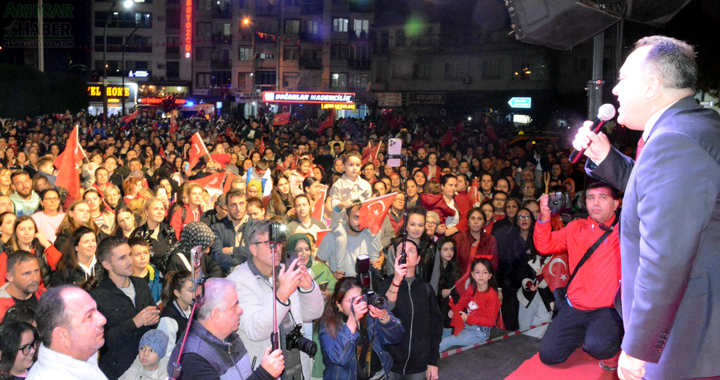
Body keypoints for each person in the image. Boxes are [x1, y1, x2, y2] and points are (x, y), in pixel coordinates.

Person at [576, 36, 720, 380]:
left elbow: (666, 257)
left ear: (653, 85)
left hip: (683, 329)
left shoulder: (675, 141)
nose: (614, 91)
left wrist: (639, 345)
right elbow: (660, 194)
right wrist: (605, 158)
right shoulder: (696, 125)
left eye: (624, 79)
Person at [533, 182, 622, 369]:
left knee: (600, 346)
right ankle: (584, 335)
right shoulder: (576, 227)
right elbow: (544, 245)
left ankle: (612, 345)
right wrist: (544, 215)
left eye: (602, 197)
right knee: (549, 355)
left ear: (616, 204)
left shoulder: (625, 231)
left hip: (606, 309)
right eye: (591, 197)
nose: (595, 203)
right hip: (574, 307)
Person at [228, 220, 324, 380]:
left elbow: (313, 314)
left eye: (279, 243)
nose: (277, 248)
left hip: (298, 367)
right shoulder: (238, 281)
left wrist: (308, 289)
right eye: (270, 243)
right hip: (264, 372)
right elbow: (256, 331)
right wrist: (281, 296)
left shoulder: (286, 271)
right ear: (253, 248)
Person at [167, 278, 285, 380]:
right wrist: (263, 374)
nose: (240, 310)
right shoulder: (192, 360)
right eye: (234, 307)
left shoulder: (228, 336)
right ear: (216, 315)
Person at [91, 235, 160, 380]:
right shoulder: (98, 296)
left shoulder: (140, 284)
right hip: (119, 371)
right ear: (107, 265)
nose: (130, 261)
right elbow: (102, 341)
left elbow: (154, 319)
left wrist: (155, 318)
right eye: (122, 258)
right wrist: (135, 322)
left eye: (129, 255)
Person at [318, 277, 405, 380]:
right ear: (339, 305)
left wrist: (384, 316)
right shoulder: (328, 325)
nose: (356, 304)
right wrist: (352, 320)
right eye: (351, 300)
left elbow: (396, 337)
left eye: (360, 299)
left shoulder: (370, 316)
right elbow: (340, 359)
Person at [379, 241, 443, 380]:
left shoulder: (426, 289)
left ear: (418, 259)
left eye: (411, 250)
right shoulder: (386, 285)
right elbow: (384, 310)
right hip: (390, 363)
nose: (405, 254)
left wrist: (433, 360)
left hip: (418, 365)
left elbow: (435, 326)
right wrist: (396, 280)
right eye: (401, 250)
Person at [28, 285, 108, 380]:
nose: (102, 320)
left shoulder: (83, 360)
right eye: (89, 316)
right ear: (62, 335)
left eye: (96, 310)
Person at [439, 258, 501, 352]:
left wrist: (467, 318)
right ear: (472, 274)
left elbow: (491, 321)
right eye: (477, 272)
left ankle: (428, 362)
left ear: (490, 276)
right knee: (447, 340)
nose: (481, 275)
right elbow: (462, 303)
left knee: (446, 342)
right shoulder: (471, 288)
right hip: (467, 325)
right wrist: (454, 311)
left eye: (485, 272)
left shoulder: (492, 296)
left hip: (479, 332)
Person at [316, 202, 382, 278]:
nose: (360, 221)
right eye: (356, 217)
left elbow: (381, 255)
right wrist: (332, 276)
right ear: (347, 218)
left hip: (365, 285)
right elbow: (318, 264)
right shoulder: (332, 237)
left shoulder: (370, 234)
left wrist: (378, 262)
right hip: (343, 286)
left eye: (363, 217)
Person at [209, 188, 251, 274]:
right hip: (227, 277)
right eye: (233, 205)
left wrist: (231, 250)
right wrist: (245, 257)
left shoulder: (255, 226)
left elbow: (257, 254)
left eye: (241, 204)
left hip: (253, 276)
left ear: (246, 204)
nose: (238, 209)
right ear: (226, 206)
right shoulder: (217, 228)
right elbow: (217, 257)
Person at [131, 198, 177, 274]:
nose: (160, 212)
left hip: (170, 278)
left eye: (162, 209)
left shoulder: (169, 230)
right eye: (155, 209)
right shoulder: (138, 234)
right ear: (146, 211)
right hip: (149, 278)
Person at [0, 251, 45, 322]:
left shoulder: (44, 294)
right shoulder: (2, 306)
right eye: (26, 273)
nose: (34, 278)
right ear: (10, 277)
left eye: (36, 271)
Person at [157, 270, 192, 357]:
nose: (195, 293)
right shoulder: (169, 318)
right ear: (177, 293)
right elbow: (167, 354)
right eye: (190, 290)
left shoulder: (193, 308)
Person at [453, 207, 498, 273]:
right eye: (473, 218)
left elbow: (494, 264)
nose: (476, 222)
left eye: (479, 219)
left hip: (482, 279)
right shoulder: (458, 238)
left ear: (484, 222)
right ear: (468, 222)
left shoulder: (490, 240)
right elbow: (453, 262)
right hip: (460, 279)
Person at [433, 237, 462, 334]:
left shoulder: (455, 268)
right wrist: (440, 292)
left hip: (449, 309)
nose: (449, 252)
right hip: (436, 309)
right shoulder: (433, 267)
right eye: (445, 249)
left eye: (451, 249)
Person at [128, 237, 162, 304]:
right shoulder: (126, 280)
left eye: (145, 253)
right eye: (137, 254)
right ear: (129, 256)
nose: (143, 257)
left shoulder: (159, 276)